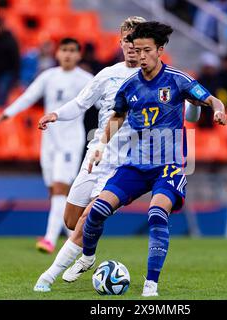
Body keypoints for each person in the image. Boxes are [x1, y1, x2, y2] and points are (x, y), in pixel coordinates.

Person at [33, 17, 203, 293]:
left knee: (92, 213)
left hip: (129, 160)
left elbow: (186, 109)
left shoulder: (162, 77)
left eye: (139, 44)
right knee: (71, 219)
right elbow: (80, 103)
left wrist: (197, 106)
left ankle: (49, 275)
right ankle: (88, 255)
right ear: (122, 42)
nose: (133, 48)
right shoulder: (108, 75)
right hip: (98, 154)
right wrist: (56, 114)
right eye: (128, 41)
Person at [65, 21, 227, 297]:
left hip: (168, 167)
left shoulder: (178, 79)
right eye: (136, 50)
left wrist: (218, 111)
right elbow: (117, 116)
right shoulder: (129, 86)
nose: (140, 56)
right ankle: (88, 257)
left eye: (145, 50)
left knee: (156, 214)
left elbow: (211, 99)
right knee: (96, 212)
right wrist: (102, 145)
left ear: (159, 50)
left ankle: (150, 285)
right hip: (136, 165)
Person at [0, 38, 93, 253]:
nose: (67, 54)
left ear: (78, 55)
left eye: (72, 51)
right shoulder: (49, 76)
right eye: (64, 50)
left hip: (70, 141)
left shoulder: (86, 80)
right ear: (57, 54)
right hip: (48, 140)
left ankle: (49, 239)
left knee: (59, 188)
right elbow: (29, 96)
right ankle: (74, 237)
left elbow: (105, 100)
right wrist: (8, 112)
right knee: (55, 191)